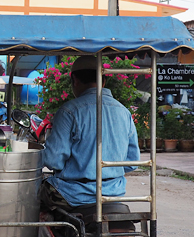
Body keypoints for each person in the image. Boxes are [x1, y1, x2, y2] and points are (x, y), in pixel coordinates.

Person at [40, 56, 140, 211]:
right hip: (114, 193)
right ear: (104, 81)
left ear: (74, 80)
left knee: (34, 196)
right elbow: (132, 161)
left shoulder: (69, 111)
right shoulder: (124, 112)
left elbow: (54, 161)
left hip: (73, 195)